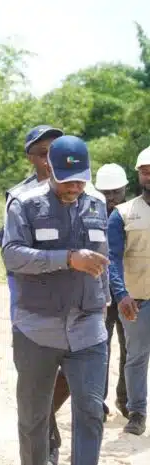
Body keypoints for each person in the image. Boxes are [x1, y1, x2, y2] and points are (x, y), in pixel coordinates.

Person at [3, 135, 110, 465]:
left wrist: (105, 298)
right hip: (37, 329)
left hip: (88, 328)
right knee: (34, 418)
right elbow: (12, 256)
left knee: (91, 411)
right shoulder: (24, 204)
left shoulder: (97, 204)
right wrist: (67, 258)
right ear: (50, 168)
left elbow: (103, 258)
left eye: (81, 180)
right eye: (67, 180)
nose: (75, 187)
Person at [0, 125, 72, 463]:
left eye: (54, 152)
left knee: (70, 377)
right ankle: (46, 444)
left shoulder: (80, 188)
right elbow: (10, 253)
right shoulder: (18, 197)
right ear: (31, 158)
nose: (50, 160)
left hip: (76, 306)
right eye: (43, 154)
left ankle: (46, 425)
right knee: (35, 380)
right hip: (33, 308)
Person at [108, 147, 150, 436]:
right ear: (138, 174)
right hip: (136, 298)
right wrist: (121, 294)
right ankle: (137, 413)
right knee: (136, 356)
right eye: (145, 170)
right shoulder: (123, 214)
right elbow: (112, 258)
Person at [94, 163, 130, 420]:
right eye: (105, 192)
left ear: (125, 189)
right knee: (100, 349)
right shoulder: (90, 214)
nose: (110, 198)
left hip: (130, 293)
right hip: (99, 294)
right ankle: (99, 402)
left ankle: (125, 399)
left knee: (130, 348)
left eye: (115, 192)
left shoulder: (134, 215)